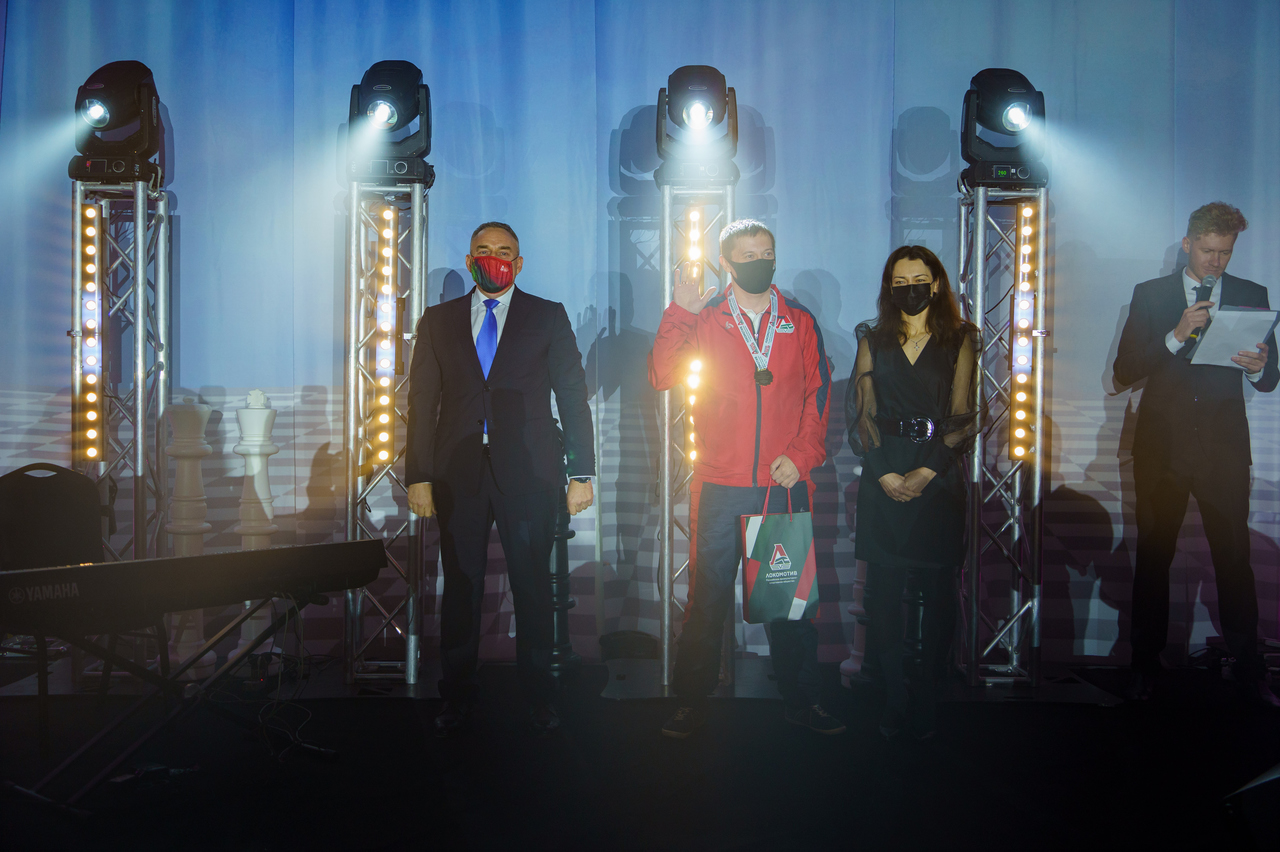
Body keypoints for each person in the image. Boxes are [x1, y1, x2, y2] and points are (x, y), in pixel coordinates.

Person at [649, 218, 842, 738]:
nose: (761, 262)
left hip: (783, 485)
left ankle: (803, 702)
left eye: (767, 253)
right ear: (727, 263)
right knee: (706, 601)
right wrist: (679, 311)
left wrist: (801, 456)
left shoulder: (798, 320)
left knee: (789, 605)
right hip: (719, 484)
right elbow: (663, 374)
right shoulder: (706, 317)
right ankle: (691, 702)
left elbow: (819, 393)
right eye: (749, 255)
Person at [406, 222, 596, 735]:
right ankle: (457, 697)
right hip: (457, 473)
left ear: (519, 261)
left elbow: (572, 396)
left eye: (504, 251)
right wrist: (418, 475)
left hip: (531, 474)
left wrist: (581, 473)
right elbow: (422, 402)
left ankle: (539, 697)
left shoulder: (547, 316)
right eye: (484, 251)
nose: (494, 258)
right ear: (470, 260)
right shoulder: (438, 321)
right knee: (460, 587)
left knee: (532, 588)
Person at [1112, 202, 1279, 708]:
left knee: (1233, 558)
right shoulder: (1151, 294)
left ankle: (1248, 670)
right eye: (1208, 251)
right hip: (1161, 448)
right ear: (1187, 244)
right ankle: (1144, 667)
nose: (1216, 262)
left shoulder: (1252, 295)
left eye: (1225, 253)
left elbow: (1270, 379)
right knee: (1154, 557)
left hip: (1223, 449)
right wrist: (1174, 335)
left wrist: (1257, 366)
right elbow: (1124, 370)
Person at [846, 245, 979, 739]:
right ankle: (894, 698)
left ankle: (928, 696)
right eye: (899, 282)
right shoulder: (872, 336)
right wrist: (882, 471)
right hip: (883, 470)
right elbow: (862, 411)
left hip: (937, 473)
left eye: (918, 280)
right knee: (883, 594)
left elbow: (963, 414)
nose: (910, 289)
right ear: (889, 288)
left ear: (936, 283)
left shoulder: (961, 337)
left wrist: (927, 471)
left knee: (939, 593)